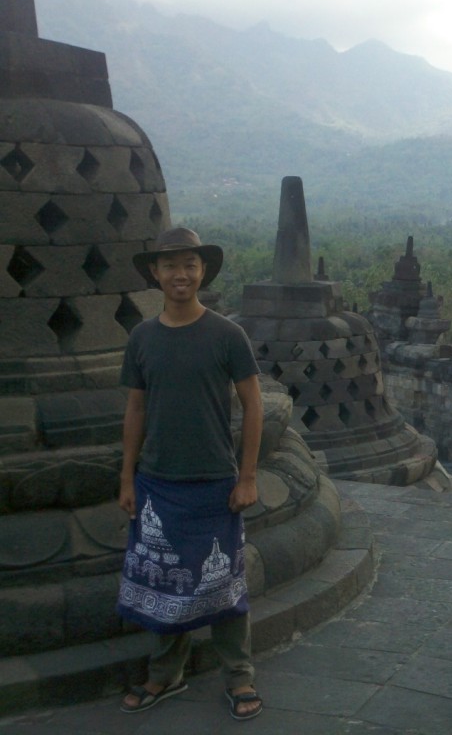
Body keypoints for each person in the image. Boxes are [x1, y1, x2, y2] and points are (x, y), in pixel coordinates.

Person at [116, 227, 265, 721]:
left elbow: (253, 405)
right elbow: (135, 410)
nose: (181, 273)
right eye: (171, 265)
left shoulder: (227, 334)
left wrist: (247, 476)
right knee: (164, 586)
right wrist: (127, 478)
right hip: (158, 480)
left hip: (215, 480)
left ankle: (238, 675)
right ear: (155, 274)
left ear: (202, 272)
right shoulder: (142, 338)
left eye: (190, 264)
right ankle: (166, 673)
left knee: (225, 584)